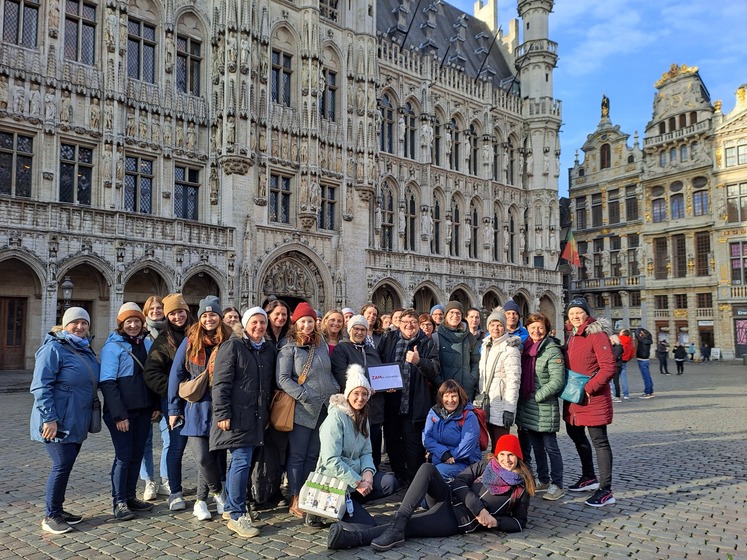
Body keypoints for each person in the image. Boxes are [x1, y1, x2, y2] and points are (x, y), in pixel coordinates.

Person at [326, 434, 534, 550]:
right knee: (427, 469)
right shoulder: (486, 466)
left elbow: (519, 522)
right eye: (503, 454)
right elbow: (459, 481)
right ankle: (399, 521)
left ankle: (349, 539)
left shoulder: (520, 488)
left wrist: (496, 522)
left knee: (409, 526)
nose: (506, 459)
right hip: (447, 497)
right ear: (496, 455)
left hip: (454, 520)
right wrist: (480, 510)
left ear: (519, 457)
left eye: (511, 455)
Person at [30, 307, 100, 534]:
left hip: (77, 419)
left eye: (84, 323)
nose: (80, 327)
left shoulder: (84, 348)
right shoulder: (53, 348)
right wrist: (49, 418)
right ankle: (50, 515)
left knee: (66, 464)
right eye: (75, 323)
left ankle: (58, 510)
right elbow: (41, 386)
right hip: (57, 420)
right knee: (61, 464)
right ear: (64, 325)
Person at [210, 307, 276, 538]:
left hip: (257, 416)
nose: (259, 327)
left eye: (262, 323)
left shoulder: (268, 350)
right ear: (245, 324)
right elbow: (221, 383)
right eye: (254, 322)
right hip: (237, 415)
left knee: (239, 462)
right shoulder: (233, 346)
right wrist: (222, 413)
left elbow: (267, 386)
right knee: (241, 461)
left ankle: (230, 508)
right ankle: (237, 514)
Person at [168, 296, 231, 521]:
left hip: (220, 407)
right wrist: (173, 409)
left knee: (216, 457)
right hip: (195, 407)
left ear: (219, 317)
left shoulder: (229, 340)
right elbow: (176, 374)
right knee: (203, 457)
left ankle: (200, 501)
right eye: (204, 315)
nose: (208, 319)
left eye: (213, 314)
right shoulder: (190, 340)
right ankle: (219, 493)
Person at [276, 302, 340, 518]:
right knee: (298, 455)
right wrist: (302, 395)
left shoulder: (320, 344)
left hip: (323, 408)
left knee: (314, 454)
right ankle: (295, 497)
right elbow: (283, 379)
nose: (307, 325)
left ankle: (308, 494)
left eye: (310, 321)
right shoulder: (288, 346)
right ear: (296, 323)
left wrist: (336, 390)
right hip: (302, 408)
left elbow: (327, 372)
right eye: (303, 321)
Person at [316, 364, 398, 529]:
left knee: (389, 482)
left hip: (356, 478)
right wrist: (357, 481)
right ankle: (319, 512)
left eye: (364, 394)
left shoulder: (363, 416)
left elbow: (367, 451)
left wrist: (368, 474)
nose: (360, 398)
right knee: (368, 526)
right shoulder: (335, 419)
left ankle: (352, 502)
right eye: (356, 393)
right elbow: (331, 461)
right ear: (348, 394)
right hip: (334, 480)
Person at [100, 303, 158, 520]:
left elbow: (152, 377)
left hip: (143, 410)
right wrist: (119, 415)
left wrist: (155, 406)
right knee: (124, 456)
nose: (133, 325)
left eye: (136, 321)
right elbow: (107, 383)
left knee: (136, 455)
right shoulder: (112, 347)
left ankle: (130, 496)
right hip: (122, 413)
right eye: (128, 322)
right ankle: (119, 501)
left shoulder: (147, 343)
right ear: (121, 324)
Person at [377, 308, 440, 485]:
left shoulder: (426, 343)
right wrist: (382, 385)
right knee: (392, 440)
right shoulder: (389, 339)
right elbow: (379, 362)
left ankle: (414, 480)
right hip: (392, 400)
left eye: (413, 322)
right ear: (399, 324)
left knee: (414, 444)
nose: (409, 325)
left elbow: (435, 370)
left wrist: (419, 361)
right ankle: (399, 476)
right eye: (405, 322)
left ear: (418, 325)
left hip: (414, 401)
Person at [563, 297, 616, 507]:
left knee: (599, 441)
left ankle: (606, 490)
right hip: (574, 397)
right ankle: (589, 477)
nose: (576, 316)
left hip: (592, 397)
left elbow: (608, 367)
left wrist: (589, 389)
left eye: (579, 312)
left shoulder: (597, 334)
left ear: (586, 314)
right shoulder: (572, 335)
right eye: (572, 313)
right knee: (575, 433)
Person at [142, 293, 193, 510]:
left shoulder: (200, 333)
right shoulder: (163, 340)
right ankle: (175, 492)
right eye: (172, 313)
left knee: (207, 448)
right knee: (176, 446)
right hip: (175, 402)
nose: (177, 316)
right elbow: (151, 373)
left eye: (180, 312)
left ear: (187, 312)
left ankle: (212, 490)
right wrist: (176, 391)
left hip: (202, 402)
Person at [516, 313, 566, 501]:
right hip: (528, 406)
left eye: (540, 328)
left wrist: (537, 396)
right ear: (527, 328)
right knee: (536, 446)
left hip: (544, 406)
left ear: (546, 329)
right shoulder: (526, 347)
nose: (536, 331)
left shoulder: (551, 349)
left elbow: (557, 381)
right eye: (533, 327)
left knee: (550, 446)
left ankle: (557, 484)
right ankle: (543, 479)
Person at [331, 315, 385, 469]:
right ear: (350, 330)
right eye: (356, 329)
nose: (360, 332)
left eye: (363, 329)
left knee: (373, 442)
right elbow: (342, 375)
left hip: (375, 407)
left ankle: (372, 474)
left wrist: (387, 385)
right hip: (354, 406)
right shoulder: (342, 349)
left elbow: (380, 373)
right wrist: (365, 389)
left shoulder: (372, 351)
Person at [139, 295, 171, 501]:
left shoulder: (172, 334)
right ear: (146, 312)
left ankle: (166, 478)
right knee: (145, 441)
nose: (156, 311)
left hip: (165, 393)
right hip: (144, 394)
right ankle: (149, 480)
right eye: (152, 309)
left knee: (169, 440)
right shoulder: (140, 336)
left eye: (159, 308)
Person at [422, 380, 482, 481]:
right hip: (442, 458)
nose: (450, 400)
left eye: (454, 396)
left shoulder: (469, 416)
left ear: (459, 397)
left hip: (465, 462)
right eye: (446, 396)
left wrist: (436, 457)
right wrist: (442, 454)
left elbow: (466, 447)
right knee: (424, 472)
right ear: (441, 397)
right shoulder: (433, 412)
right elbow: (427, 438)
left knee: (436, 473)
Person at [479, 309, 521, 447]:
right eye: (492, 325)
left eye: (499, 325)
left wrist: (509, 409)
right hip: (487, 401)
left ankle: (503, 469)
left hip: (501, 403)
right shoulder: (486, 345)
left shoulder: (510, 349)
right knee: (491, 445)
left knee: (502, 445)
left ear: (504, 327)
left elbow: (513, 381)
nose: (496, 328)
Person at [435, 301, 479, 399]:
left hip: (465, 388)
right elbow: (433, 364)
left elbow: (475, 361)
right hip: (444, 389)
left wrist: (471, 380)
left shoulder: (470, 337)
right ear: (446, 315)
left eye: (458, 313)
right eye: (452, 312)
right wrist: (439, 383)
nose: (455, 316)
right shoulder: (436, 337)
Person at [636, 328, 655, 398]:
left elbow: (637, 334)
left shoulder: (642, 340)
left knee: (645, 377)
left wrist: (640, 330)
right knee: (648, 376)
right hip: (646, 359)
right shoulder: (648, 340)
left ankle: (647, 392)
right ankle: (650, 391)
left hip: (642, 359)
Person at [618, 329, 634, 399]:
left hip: (618, 360)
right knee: (624, 378)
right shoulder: (630, 342)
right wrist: (627, 359)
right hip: (625, 361)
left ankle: (615, 394)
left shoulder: (619, 339)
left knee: (614, 379)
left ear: (622, 333)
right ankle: (626, 394)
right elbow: (632, 354)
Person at [609, 334, 624, 403]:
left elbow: (614, 357)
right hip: (615, 365)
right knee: (613, 381)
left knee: (615, 381)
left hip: (616, 365)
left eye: (611, 340)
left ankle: (617, 396)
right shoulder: (615, 347)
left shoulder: (618, 347)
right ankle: (614, 395)